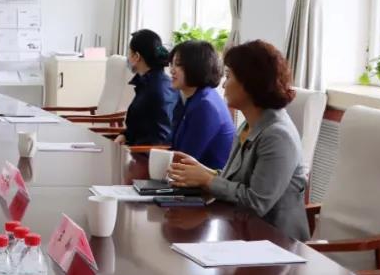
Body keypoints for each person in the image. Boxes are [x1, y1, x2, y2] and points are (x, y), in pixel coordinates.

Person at [167, 40, 309, 241]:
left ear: (250, 83)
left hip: (275, 241)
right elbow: (235, 181)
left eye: (228, 76)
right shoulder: (249, 124)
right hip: (241, 229)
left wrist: (207, 180)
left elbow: (256, 202)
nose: (224, 84)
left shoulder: (277, 135)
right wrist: (202, 171)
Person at [168, 40, 236, 169]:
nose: (171, 70)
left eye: (178, 65)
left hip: (206, 180)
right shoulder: (195, 97)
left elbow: (185, 158)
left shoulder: (205, 105)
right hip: (188, 175)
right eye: (172, 64)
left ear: (195, 66)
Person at [116, 29, 179, 146]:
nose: (127, 58)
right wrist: (124, 135)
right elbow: (141, 125)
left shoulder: (154, 89)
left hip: (145, 154)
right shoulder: (154, 82)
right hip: (138, 148)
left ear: (137, 56)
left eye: (129, 53)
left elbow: (160, 139)